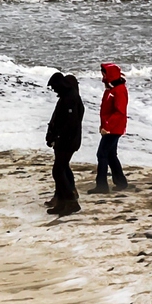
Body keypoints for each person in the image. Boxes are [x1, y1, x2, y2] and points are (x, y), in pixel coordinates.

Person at [44, 71, 83, 214]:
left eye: (54, 87)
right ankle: (61, 203)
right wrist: (52, 136)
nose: (54, 90)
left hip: (68, 142)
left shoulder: (70, 98)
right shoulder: (67, 97)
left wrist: (58, 137)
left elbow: (70, 124)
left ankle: (71, 201)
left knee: (58, 171)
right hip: (65, 141)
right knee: (60, 170)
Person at [89, 62, 128, 194]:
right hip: (111, 126)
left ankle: (102, 185)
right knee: (111, 155)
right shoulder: (111, 89)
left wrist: (107, 126)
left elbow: (120, 111)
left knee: (102, 154)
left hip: (114, 127)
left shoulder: (118, 90)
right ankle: (121, 182)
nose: (102, 76)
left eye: (104, 73)